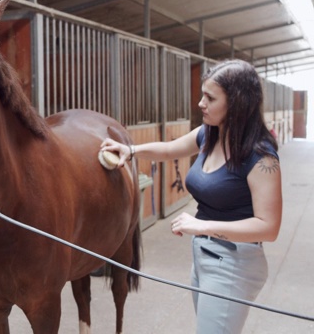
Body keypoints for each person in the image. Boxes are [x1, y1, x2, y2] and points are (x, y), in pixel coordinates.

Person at [101, 59, 282, 334]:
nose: (200, 103)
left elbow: (269, 227)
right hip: (204, 255)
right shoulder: (209, 135)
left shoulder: (260, 156)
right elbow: (169, 149)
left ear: (236, 103)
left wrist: (202, 226)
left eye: (210, 97)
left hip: (233, 262)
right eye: (202, 94)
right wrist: (131, 150)